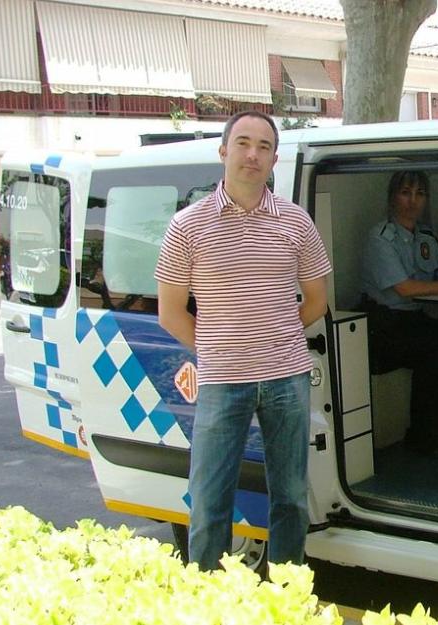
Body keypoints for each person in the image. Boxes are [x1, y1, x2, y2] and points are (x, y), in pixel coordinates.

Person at [154, 110, 332, 571]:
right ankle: (209, 600)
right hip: (222, 379)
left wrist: (276, 336)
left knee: (291, 497)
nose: (253, 155)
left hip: (286, 378)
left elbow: (316, 300)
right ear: (224, 151)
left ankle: (287, 597)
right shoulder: (188, 226)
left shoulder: (296, 222)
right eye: (243, 143)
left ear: (274, 159)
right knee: (210, 499)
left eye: (264, 147)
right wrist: (219, 348)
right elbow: (171, 313)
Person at [360, 170, 438, 456]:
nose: (412, 201)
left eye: (419, 194)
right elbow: (404, 288)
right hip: (383, 322)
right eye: (405, 192)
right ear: (393, 197)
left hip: (414, 318)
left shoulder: (425, 236)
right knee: (435, 350)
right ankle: (423, 434)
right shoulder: (380, 238)